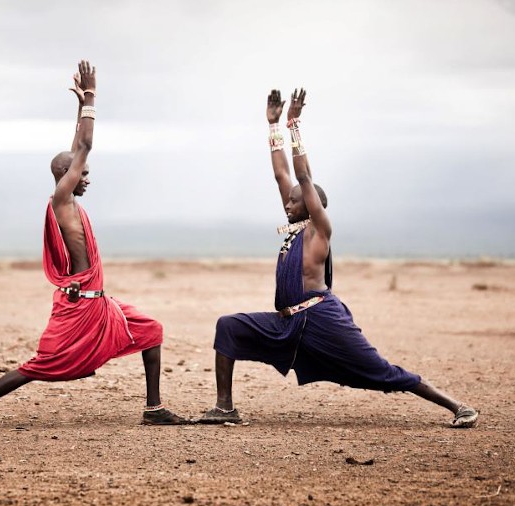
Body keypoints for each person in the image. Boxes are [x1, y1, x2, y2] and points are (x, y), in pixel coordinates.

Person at [198, 88, 478, 428]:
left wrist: (294, 125)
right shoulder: (295, 229)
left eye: (295, 201)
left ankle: (458, 406)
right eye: (287, 201)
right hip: (287, 322)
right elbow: (282, 175)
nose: (287, 203)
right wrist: (272, 127)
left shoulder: (318, 230)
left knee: (380, 373)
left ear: (312, 203)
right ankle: (224, 407)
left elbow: (302, 178)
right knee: (229, 326)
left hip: (322, 320)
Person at [0, 60, 187, 430]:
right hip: (79, 309)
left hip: (99, 302)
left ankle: (153, 408)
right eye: (82, 173)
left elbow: (77, 146)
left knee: (151, 330)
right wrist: (92, 95)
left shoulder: (70, 202)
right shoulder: (61, 200)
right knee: (41, 365)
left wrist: (78, 106)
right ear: (65, 176)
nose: (87, 178)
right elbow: (86, 145)